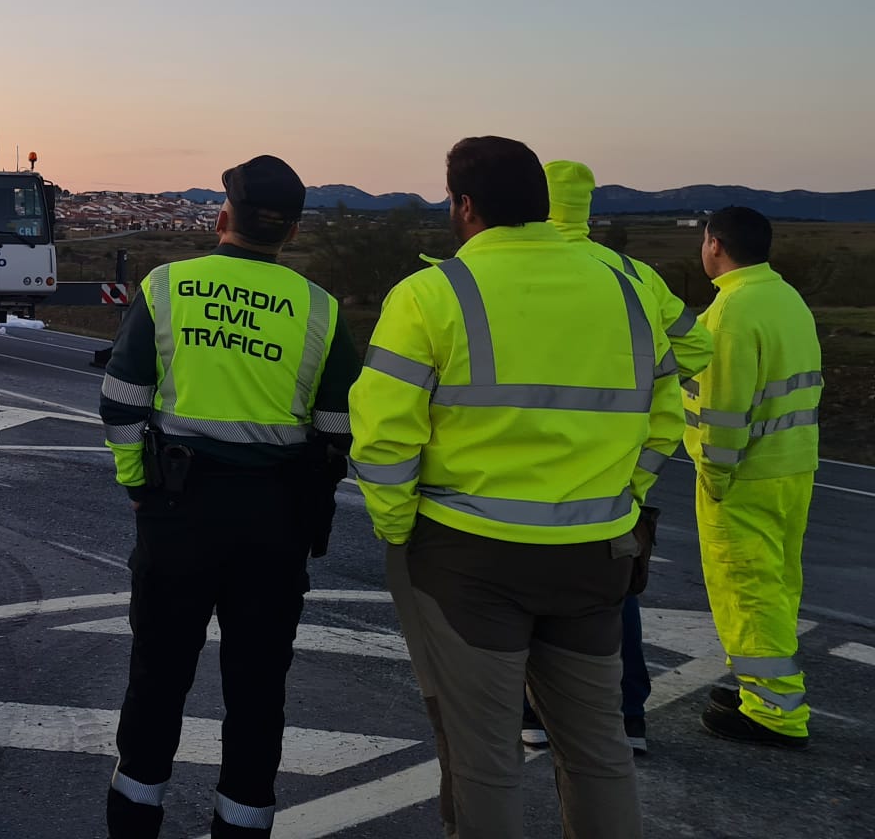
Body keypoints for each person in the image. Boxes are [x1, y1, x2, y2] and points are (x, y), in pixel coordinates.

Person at [350, 136, 683, 839]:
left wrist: (397, 528)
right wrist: (620, 507)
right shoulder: (628, 289)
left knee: (484, 759)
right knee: (598, 753)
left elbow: (382, 442)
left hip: (469, 559)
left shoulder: (432, 293)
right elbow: (664, 424)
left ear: (465, 206)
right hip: (595, 555)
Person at [99, 155, 359, 839]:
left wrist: (138, 486)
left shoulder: (166, 285)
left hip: (178, 511)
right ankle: (243, 825)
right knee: (257, 691)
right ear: (293, 232)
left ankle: (133, 824)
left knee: (156, 680)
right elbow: (337, 432)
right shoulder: (322, 311)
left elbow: (121, 403)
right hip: (275, 522)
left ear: (222, 218)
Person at [520, 160, 717, 757]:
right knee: (611, 594)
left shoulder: (512, 269)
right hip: (615, 469)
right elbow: (698, 346)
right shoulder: (634, 275)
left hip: (530, 461)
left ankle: (533, 715)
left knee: (522, 592)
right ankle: (629, 716)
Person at [691, 205, 823, 747]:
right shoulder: (784, 297)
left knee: (747, 588)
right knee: (778, 581)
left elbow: (724, 411)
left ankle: (774, 712)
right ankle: (764, 689)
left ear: (716, 245)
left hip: (744, 474)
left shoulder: (731, 313)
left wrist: (715, 476)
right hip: (794, 464)